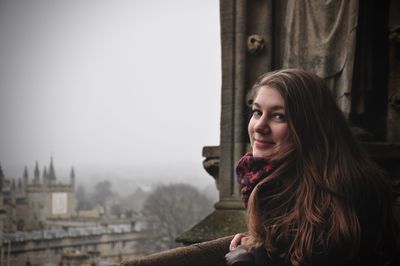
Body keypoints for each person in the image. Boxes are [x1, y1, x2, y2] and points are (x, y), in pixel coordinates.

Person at [225, 69, 399, 266]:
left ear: (310, 124)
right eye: (257, 112)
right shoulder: (287, 180)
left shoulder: (338, 196)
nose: (259, 126)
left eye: (278, 116)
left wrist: (246, 259)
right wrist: (256, 244)